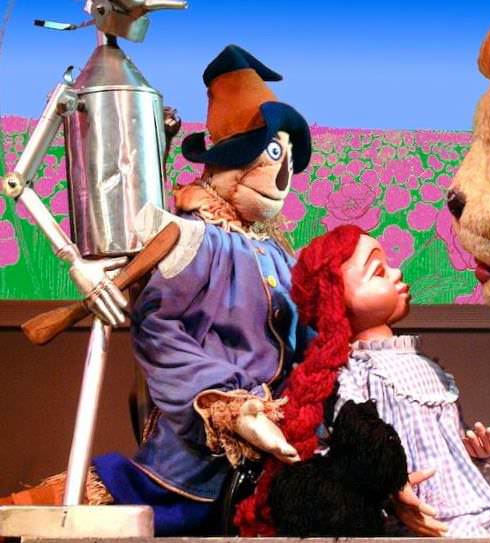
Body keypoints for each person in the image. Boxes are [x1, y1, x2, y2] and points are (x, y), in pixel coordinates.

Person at [2, 45, 311, 536]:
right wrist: (230, 410)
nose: (283, 174)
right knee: (134, 504)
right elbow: (160, 330)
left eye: (287, 155)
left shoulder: (278, 254)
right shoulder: (195, 241)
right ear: (233, 162)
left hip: (282, 456)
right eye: (272, 153)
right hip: (199, 459)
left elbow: (306, 335)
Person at [244, 224, 490, 537]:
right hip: (423, 516)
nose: (397, 273)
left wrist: (475, 453)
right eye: (379, 272)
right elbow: (354, 454)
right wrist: (392, 487)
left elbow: (444, 452)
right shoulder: (356, 373)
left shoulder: (427, 367)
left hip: (474, 507)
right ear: (336, 301)